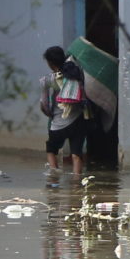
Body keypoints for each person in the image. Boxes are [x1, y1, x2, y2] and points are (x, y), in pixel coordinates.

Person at [41, 46, 88, 175]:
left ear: (50, 63)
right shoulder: (77, 73)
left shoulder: (48, 79)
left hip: (58, 123)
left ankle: (54, 178)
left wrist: (49, 113)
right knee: (76, 155)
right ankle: (76, 184)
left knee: (51, 150)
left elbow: (44, 104)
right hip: (78, 120)